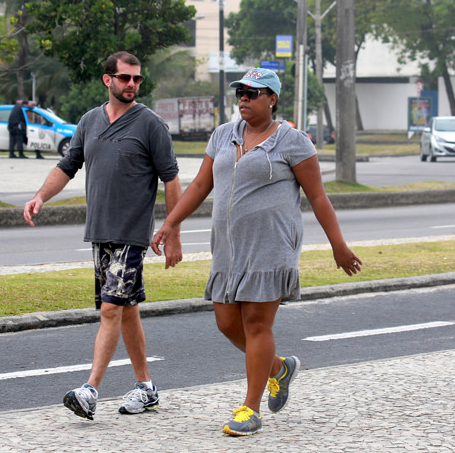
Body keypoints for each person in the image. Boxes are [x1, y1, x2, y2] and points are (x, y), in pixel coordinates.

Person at [152, 68, 362, 436]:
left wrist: (338, 246)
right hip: (228, 249)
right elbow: (201, 184)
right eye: (240, 93)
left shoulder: (292, 141)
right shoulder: (222, 135)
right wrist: (170, 224)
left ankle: (250, 409)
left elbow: (318, 196)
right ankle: (279, 368)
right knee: (226, 323)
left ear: (272, 98)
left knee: (256, 323)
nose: (244, 99)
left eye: (253, 92)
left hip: (272, 245)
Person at [23, 51, 182, 420]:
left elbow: (171, 179)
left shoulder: (150, 124)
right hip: (100, 231)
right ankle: (146, 388)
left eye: (137, 79)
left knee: (111, 308)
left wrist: (172, 231)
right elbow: (68, 166)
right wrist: (40, 197)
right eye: (125, 78)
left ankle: (90, 390)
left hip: (132, 234)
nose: (132, 85)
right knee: (125, 310)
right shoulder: (89, 121)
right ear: (107, 79)